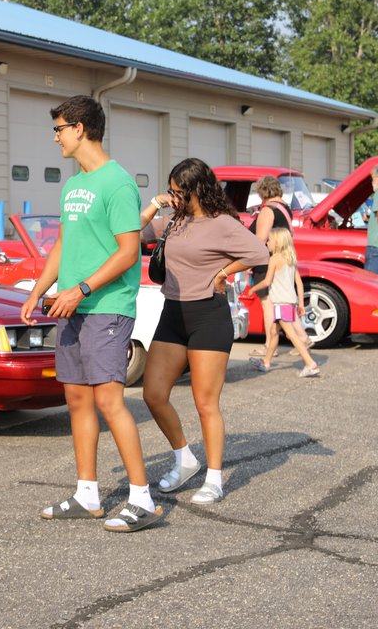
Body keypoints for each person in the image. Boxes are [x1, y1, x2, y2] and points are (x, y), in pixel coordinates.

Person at [20, 94, 159, 533]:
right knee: (76, 398)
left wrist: (80, 290)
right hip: (71, 306)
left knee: (108, 400)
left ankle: (142, 499)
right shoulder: (73, 185)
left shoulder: (117, 183)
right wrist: (37, 289)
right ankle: (87, 494)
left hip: (105, 307)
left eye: (58, 129)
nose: (55, 138)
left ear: (80, 128)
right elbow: (64, 244)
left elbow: (128, 252)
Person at [138, 159, 268, 505]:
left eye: (179, 192)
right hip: (172, 313)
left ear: (197, 189)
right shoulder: (174, 221)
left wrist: (225, 272)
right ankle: (185, 458)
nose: (174, 197)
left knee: (205, 402)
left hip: (208, 317)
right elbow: (133, 234)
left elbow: (260, 251)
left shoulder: (222, 223)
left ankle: (214, 479)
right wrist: (154, 204)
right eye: (171, 191)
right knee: (153, 393)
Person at [248, 228, 322, 377]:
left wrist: (253, 289)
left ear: (277, 242)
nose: (267, 242)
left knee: (292, 335)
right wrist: (300, 304)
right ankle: (266, 362)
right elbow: (299, 283)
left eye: (269, 240)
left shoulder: (274, 259)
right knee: (273, 332)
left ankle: (310, 364)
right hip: (289, 302)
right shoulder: (290, 258)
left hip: (280, 303)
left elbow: (267, 281)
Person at [249, 175, 309, 357]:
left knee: (269, 305)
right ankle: (302, 336)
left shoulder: (268, 210)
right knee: (280, 302)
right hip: (285, 258)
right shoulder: (285, 208)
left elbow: (261, 239)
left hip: (267, 261)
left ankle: (269, 346)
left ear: (262, 192)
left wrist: (246, 259)